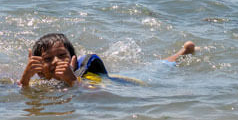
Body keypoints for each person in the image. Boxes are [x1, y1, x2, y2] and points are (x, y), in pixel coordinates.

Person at [18, 33, 196, 87]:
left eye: (62, 56)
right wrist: (25, 79)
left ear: (73, 61)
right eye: (48, 59)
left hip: (129, 80)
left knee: (158, 69)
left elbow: (100, 99)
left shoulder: (86, 79)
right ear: (38, 67)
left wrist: (72, 80)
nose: (56, 61)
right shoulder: (38, 82)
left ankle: (182, 52)